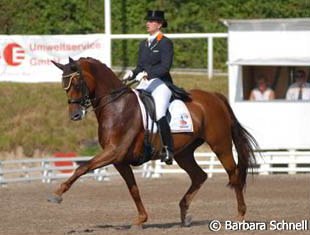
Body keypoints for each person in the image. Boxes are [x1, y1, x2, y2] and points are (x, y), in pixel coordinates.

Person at [123, 10, 174, 165]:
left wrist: (147, 75)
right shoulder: (144, 44)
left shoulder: (165, 42)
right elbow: (140, 66)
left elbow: (165, 67)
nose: (148, 24)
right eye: (148, 21)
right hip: (145, 83)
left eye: (151, 22)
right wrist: (132, 73)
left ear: (159, 24)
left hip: (162, 83)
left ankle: (168, 149)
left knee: (159, 113)